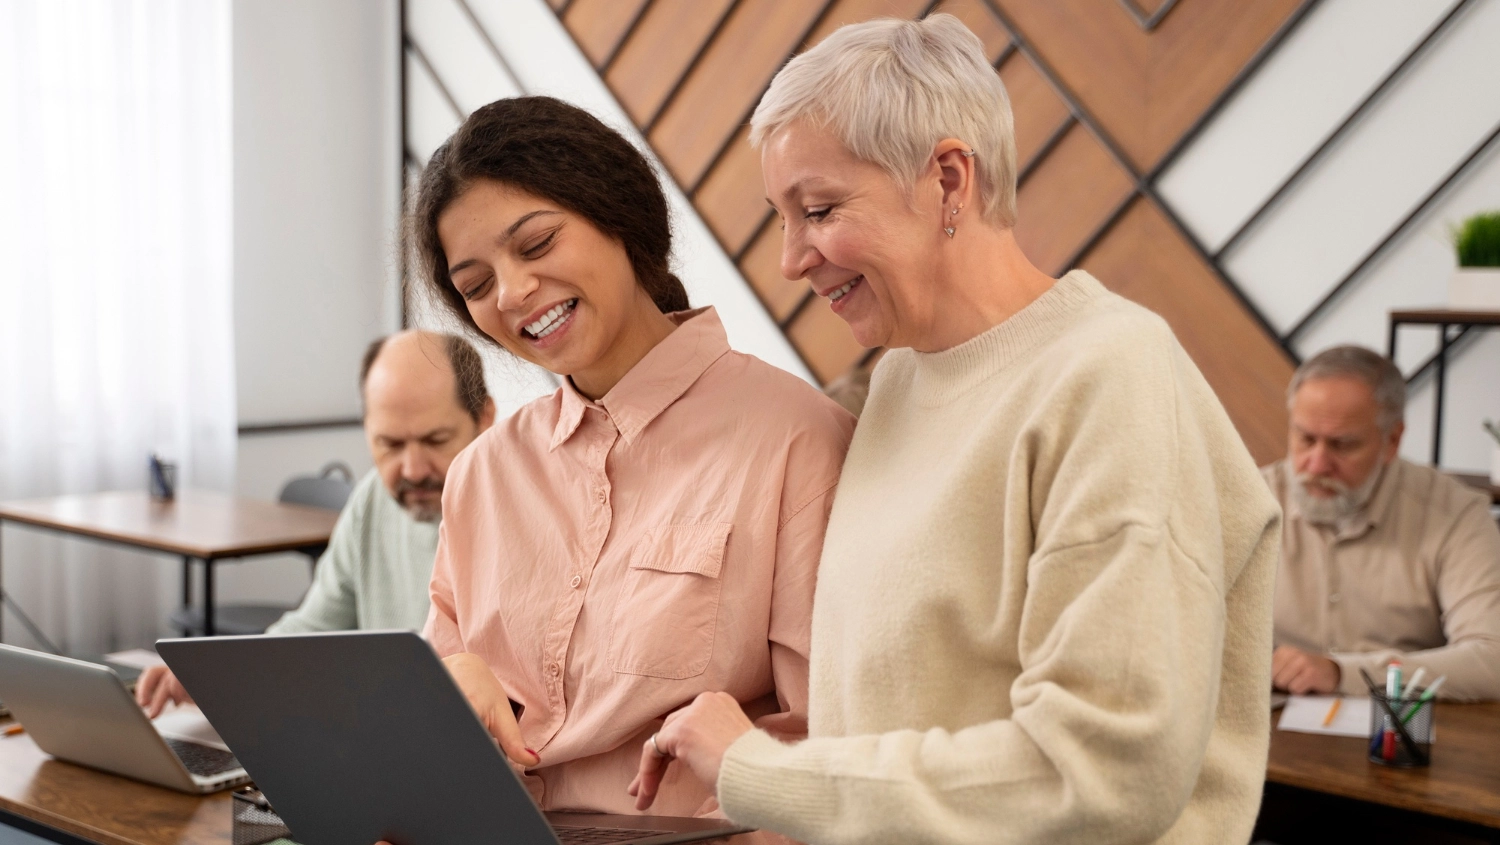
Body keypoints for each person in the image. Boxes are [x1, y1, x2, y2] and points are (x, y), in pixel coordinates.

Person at [630, 15, 1283, 845]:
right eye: (782, 218)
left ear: (947, 179)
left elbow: (1105, 769)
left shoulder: (1111, 374)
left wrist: (759, 773)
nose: (791, 258)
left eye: (821, 208)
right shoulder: (902, 379)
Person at [405, 95, 855, 820]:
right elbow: (433, 724)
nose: (514, 293)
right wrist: (447, 689)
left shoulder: (798, 442)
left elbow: (827, 751)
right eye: (477, 285)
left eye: (537, 244)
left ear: (618, 216)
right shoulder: (481, 475)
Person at [135, 330, 495, 717]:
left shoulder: (522, 506)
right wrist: (217, 674)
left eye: (436, 439)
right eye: (389, 444)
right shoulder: (374, 498)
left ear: (484, 419)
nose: (413, 469)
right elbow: (313, 629)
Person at [1265, 345, 1500, 701]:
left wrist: (1342, 673)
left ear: (1392, 440)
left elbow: (1492, 659)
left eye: (1342, 445)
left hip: (1405, 735)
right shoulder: (1247, 501)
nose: (1316, 465)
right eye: (1306, 439)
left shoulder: (1456, 515)